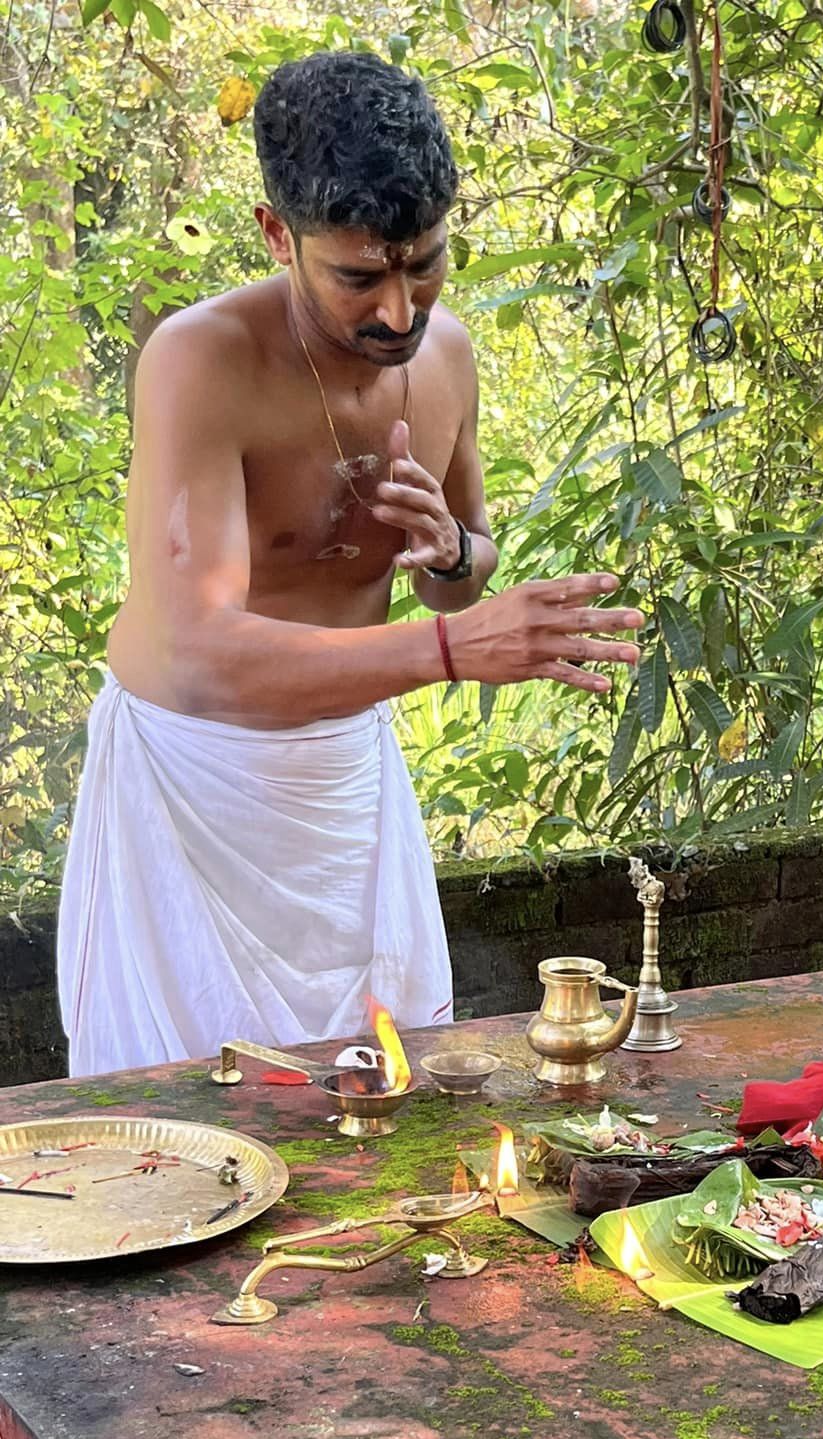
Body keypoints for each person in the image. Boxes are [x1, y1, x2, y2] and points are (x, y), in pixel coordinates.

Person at [57, 50, 642, 1077]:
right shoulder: (201, 362)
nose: (400, 313)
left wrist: (454, 553)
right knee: (194, 1110)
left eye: (426, 265)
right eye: (360, 277)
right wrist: (456, 644)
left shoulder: (445, 355)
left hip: (347, 781)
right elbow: (198, 651)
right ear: (277, 234)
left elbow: (458, 567)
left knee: (387, 1091)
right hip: (196, 786)